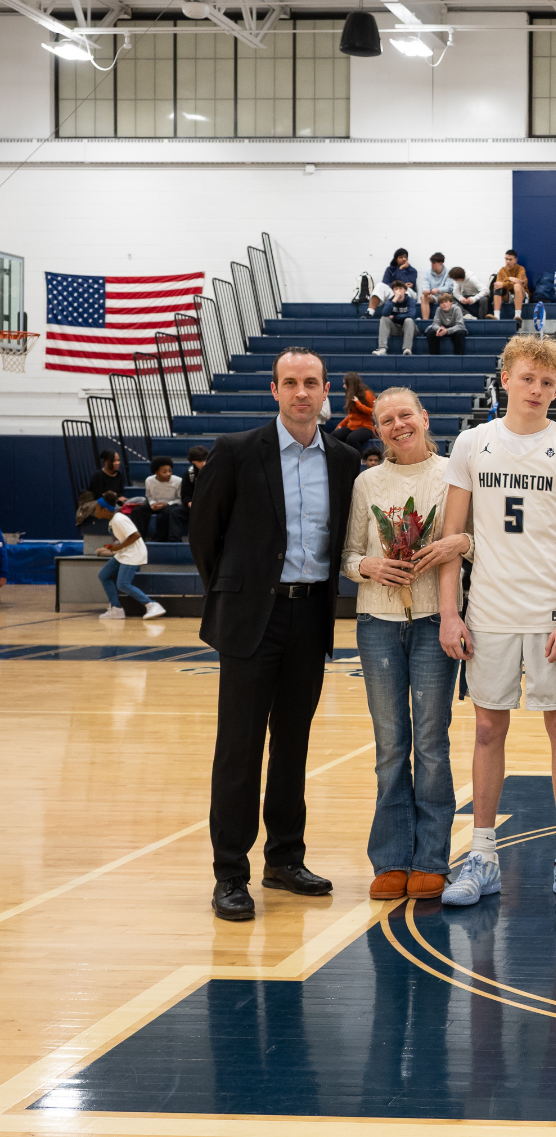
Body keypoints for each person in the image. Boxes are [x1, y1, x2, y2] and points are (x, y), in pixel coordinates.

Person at [190, 347, 359, 922]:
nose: (301, 392)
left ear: (325, 387)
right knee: (239, 748)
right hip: (252, 619)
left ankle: (285, 858)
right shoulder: (238, 452)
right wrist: (238, 596)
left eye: (311, 382)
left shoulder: (342, 458)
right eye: (290, 383)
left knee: (294, 744)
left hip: (310, 617)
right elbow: (203, 536)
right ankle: (230, 873)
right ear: (274, 389)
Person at [436, 335, 556, 909]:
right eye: (528, 378)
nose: (537, 390)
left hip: (551, 610)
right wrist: (450, 612)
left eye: (548, 383)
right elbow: (451, 539)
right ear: (505, 377)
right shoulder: (472, 444)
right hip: (490, 610)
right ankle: (483, 854)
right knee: (487, 730)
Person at [343, 387, 470, 902]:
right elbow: (350, 554)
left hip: (433, 623)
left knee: (431, 745)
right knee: (391, 745)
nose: (398, 425)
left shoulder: (453, 476)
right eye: (387, 419)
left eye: (405, 415)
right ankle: (391, 857)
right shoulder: (367, 482)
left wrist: (456, 542)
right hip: (377, 620)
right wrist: (369, 566)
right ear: (378, 431)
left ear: (424, 416)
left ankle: (432, 859)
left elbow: (477, 540)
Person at [93, 494, 166, 620]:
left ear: (104, 510)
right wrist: (115, 546)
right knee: (104, 575)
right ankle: (116, 609)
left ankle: (152, 605)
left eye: (96, 509)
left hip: (133, 553)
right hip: (125, 552)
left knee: (123, 584)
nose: (94, 512)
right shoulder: (114, 520)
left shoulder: (118, 519)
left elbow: (136, 535)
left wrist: (117, 547)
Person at [144, 456, 187, 541]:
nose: (168, 474)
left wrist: (167, 504)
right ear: (156, 472)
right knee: (138, 511)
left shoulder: (178, 481)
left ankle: (159, 538)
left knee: (168, 511)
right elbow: (148, 496)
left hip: (170, 505)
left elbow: (180, 500)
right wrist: (152, 503)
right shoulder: (149, 480)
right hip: (155, 504)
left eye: (170, 471)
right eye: (164, 472)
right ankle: (139, 538)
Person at [334, 371, 377, 451]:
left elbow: (374, 412)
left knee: (352, 438)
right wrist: (341, 424)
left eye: (345, 384)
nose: (344, 386)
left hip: (366, 427)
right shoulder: (350, 395)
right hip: (352, 426)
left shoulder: (368, 394)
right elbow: (351, 415)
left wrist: (358, 404)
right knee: (334, 436)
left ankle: (358, 460)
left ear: (350, 384)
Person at [374, 282, 419, 356]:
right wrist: (394, 300)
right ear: (393, 291)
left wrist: (395, 317)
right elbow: (385, 313)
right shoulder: (391, 300)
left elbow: (411, 315)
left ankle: (407, 349)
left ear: (405, 290)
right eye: (396, 289)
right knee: (384, 319)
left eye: (400, 288)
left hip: (409, 328)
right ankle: (382, 349)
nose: (398, 291)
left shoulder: (410, 301)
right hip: (395, 328)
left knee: (409, 320)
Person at [493, 249, 530, 328]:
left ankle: (517, 316)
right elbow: (498, 285)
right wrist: (510, 278)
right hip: (509, 295)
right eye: (506, 259)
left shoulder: (520, 269)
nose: (508, 261)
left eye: (510, 259)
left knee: (516, 286)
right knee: (497, 289)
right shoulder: (502, 270)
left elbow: (521, 282)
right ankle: (496, 317)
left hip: (521, 294)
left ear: (515, 260)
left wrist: (504, 282)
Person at [180, 445, 208, 510]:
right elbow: (185, 495)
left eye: (205, 460)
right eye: (200, 461)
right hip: (195, 505)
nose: (204, 463)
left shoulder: (215, 472)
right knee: (175, 512)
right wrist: (190, 503)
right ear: (193, 461)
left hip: (212, 503)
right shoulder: (189, 475)